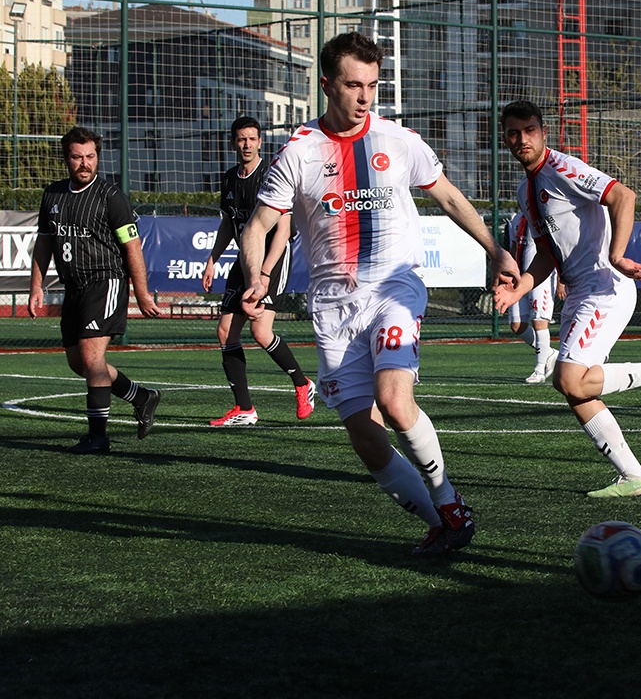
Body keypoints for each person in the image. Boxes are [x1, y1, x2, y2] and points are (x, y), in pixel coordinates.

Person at [238, 32, 519, 557]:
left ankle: (449, 502)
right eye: (353, 85)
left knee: (393, 399)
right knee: (365, 437)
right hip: (332, 307)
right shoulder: (299, 151)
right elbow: (259, 224)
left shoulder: (398, 139)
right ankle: (442, 525)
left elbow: (449, 197)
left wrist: (495, 250)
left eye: (372, 85)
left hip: (394, 288)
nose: (365, 96)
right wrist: (257, 274)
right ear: (327, 85)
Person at [493, 100, 641, 499]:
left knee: (569, 379)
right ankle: (634, 477)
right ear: (506, 139)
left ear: (543, 133)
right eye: (514, 133)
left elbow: (623, 197)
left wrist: (617, 256)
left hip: (604, 288)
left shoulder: (562, 167)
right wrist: (519, 288)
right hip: (580, 293)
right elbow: (547, 254)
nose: (522, 139)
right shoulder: (525, 190)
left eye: (529, 130)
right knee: (574, 388)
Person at [28, 127, 162, 454]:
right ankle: (142, 397)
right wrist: (36, 286)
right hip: (74, 288)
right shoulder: (53, 195)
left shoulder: (111, 196)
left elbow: (132, 247)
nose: (85, 163)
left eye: (90, 156)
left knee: (92, 357)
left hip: (106, 281)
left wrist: (142, 293)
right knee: (80, 364)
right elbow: (43, 243)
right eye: (77, 157)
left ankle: (98, 437)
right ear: (66, 159)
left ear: (98, 157)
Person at [202, 116, 315, 426]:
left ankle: (302, 383)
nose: (247, 144)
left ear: (260, 142)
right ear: (233, 143)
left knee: (261, 332)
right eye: (242, 139)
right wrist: (212, 259)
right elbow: (229, 224)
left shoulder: (271, 175)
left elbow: (283, 230)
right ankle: (244, 408)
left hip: (273, 260)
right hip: (245, 259)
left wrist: (264, 273)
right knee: (225, 331)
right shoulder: (229, 179)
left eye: (252, 139)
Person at [506, 210, 557, 383]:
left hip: (540, 277)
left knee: (539, 321)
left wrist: (561, 281)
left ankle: (539, 370)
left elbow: (556, 248)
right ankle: (549, 353)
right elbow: (514, 248)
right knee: (517, 325)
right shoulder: (517, 219)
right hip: (519, 277)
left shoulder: (543, 217)